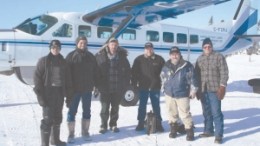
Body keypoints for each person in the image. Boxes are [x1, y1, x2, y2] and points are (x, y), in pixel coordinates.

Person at [33, 40, 72, 146]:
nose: (55, 49)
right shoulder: (43, 61)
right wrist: (40, 96)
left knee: (57, 118)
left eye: (58, 48)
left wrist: (69, 97)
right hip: (47, 94)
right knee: (47, 119)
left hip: (59, 93)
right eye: (53, 47)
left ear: (60, 49)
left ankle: (55, 141)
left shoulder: (63, 62)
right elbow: (37, 80)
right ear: (50, 48)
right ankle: (44, 144)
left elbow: (68, 80)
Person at [195, 38, 229, 144]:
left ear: (212, 47)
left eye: (209, 46)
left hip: (215, 89)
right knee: (206, 112)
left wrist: (222, 86)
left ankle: (218, 135)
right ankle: (209, 130)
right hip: (203, 90)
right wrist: (197, 88)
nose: (207, 48)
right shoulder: (199, 59)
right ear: (202, 48)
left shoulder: (218, 56)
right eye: (205, 47)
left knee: (216, 113)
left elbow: (224, 72)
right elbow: (196, 75)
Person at [65, 36, 98, 142]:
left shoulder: (91, 57)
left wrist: (96, 85)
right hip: (74, 90)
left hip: (87, 89)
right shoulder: (71, 56)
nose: (83, 45)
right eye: (80, 43)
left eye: (84, 43)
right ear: (77, 44)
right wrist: (67, 88)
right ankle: (71, 134)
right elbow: (66, 73)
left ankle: (85, 132)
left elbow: (96, 72)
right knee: (72, 111)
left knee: (87, 111)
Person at [160, 46, 197, 141]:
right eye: (173, 54)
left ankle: (189, 131)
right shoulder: (166, 65)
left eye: (176, 54)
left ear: (180, 55)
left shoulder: (187, 65)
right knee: (172, 113)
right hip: (169, 94)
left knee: (185, 114)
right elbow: (162, 78)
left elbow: (193, 79)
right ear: (170, 56)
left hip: (182, 93)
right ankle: (173, 130)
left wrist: (193, 90)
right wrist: (163, 89)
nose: (175, 56)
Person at [95, 37, 131, 134]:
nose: (113, 47)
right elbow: (95, 72)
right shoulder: (101, 56)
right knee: (104, 108)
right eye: (112, 45)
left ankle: (113, 124)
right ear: (108, 45)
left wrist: (125, 85)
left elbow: (128, 72)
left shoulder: (122, 57)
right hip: (104, 88)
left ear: (117, 46)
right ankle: (103, 126)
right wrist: (97, 85)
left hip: (117, 88)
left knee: (115, 108)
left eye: (115, 45)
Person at [132, 42, 165, 132]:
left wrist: (164, 84)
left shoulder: (159, 59)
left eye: (150, 48)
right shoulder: (139, 59)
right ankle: (140, 123)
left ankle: (158, 123)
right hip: (143, 87)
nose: (149, 50)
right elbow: (134, 73)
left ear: (153, 49)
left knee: (156, 106)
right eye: (147, 48)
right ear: (144, 49)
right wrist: (134, 84)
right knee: (142, 105)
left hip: (155, 87)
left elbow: (165, 73)